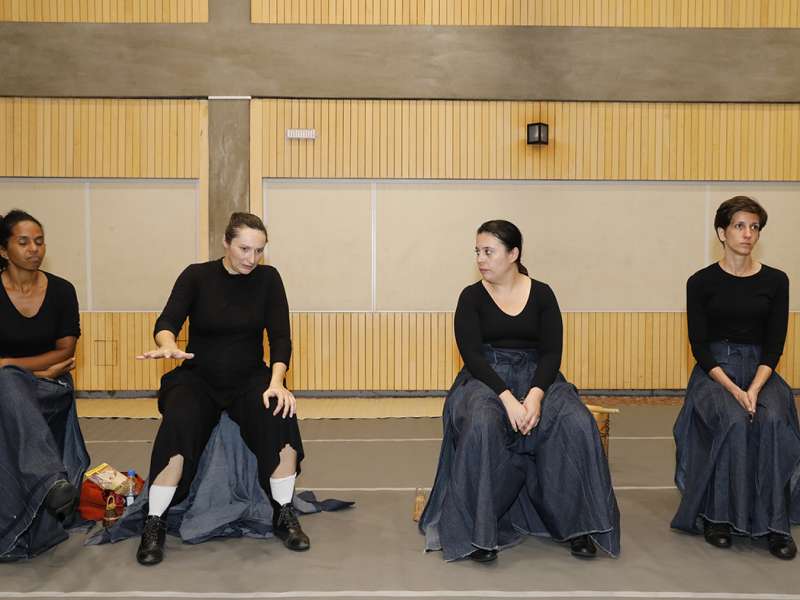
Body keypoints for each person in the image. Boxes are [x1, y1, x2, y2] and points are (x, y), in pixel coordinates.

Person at [419, 219, 620, 562]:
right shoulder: (471, 297)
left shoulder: (542, 293)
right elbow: (472, 356)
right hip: (486, 380)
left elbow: (552, 352)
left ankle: (579, 526)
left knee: (576, 420)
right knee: (482, 421)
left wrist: (537, 396)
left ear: (513, 254)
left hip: (538, 376)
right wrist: (508, 398)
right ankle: (478, 534)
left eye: (489, 252)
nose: (481, 259)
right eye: (478, 252)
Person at [135, 212, 308, 566]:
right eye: (244, 248)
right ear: (225, 243)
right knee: (179, 421)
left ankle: (283, 512)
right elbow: (167, 321)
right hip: (198, 377)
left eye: (259, 251)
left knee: (280, 416)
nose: (251, 258)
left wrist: (277, 382)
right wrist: (167, 343)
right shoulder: (196, 275)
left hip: (250, 378)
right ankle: (155, 521)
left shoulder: (269, 280)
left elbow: (280, 337)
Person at [672, 196, 799, 560]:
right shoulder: (700, 282)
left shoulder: (776, 280)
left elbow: (775, 343)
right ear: (722, 233)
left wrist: (755, 388)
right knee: (732, 420)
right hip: (716, 373)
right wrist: (733, 389)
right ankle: (720, 518)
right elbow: (699, 346)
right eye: (740, 226)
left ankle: (775, 525)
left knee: (773, 418)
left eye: (754, 227)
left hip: (761, 369)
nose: (748, 234)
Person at [0, 209, 89, 561]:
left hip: (50, 387)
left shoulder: (62, 291)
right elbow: (49, 358)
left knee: (7, 379)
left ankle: (48, 483)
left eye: (38, 241)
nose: (33, 249)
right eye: (23, 242)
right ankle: (50, 480)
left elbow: (65, 352)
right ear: (4, 250)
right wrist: (29, 371)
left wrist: (10, 365)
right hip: (17, 385)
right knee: (7, 385)